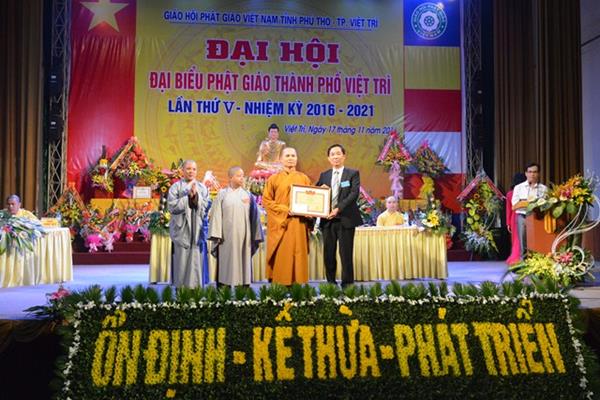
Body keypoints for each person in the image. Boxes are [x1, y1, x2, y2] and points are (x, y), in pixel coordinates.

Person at [262, 147, 312, 285]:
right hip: (282, 224)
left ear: (297, 159)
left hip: (299, 223)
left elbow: (311, 200)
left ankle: (298, 285)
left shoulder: (304, 178)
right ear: (281, 159)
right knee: (282, 253)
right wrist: (285, 209)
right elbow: (267, 201)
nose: (290, 158)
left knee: (298, 253)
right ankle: (281, 283)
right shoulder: (273, 179)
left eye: (293, 155)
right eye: (287, 155)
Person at [208, 166, 264, 287]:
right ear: (230, 177)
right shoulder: (222, 195)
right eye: (238, 176)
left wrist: (256, 236)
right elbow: (216, 216)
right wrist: (217, 235)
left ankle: (242, 290)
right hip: (226, 238)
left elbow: (254, 217)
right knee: (225, 264)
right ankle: (224, 290)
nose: (242, 178)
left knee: (243, 263)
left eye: (242, 176)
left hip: (244, 238)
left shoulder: (248, 195)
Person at [316, 144, 362, 287]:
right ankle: (331, 283)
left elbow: (353, 194)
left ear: (344, 156)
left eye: (338, 154)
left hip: (346, 219)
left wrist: (338, 209)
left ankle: (347, 285)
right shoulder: (324, 175)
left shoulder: (352, 173)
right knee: (328, 254)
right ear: (328, 158)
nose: (335, 156)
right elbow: (316, 194)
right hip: (327, 221)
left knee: (346, 254)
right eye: (332, 154)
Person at [167, 160, 209, 288]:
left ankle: (196, 288)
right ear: (182, 171)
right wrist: (188, 198)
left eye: (194, 169)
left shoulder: (202, 187)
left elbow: (206, 205)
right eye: (188, 169)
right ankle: (181, 289)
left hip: (197, 229)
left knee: (196, 259)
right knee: (182, 259)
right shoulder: (175, 187)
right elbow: (171, 206)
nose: (191, 171)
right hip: (182, 229)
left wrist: (196, 197)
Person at [511, 163, 547, 258]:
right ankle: (523, 262)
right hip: (522, 217)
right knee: (523, 243)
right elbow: (515, 204)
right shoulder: (519, 188)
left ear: (538, 173)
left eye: (535, 172)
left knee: (538, 241)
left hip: (538, 218)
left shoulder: (543, 188)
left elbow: (546, 204)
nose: (532, 174)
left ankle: (537, 262)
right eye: (530, 172)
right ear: (526, 173)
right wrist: (529, 203)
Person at [505, 173, 527, 265]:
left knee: (516, 239)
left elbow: (508, 210)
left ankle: (516, 258)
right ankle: (522, 258)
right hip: (524, 216)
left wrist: (508, 223)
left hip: (514, 218)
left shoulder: (509, 194)